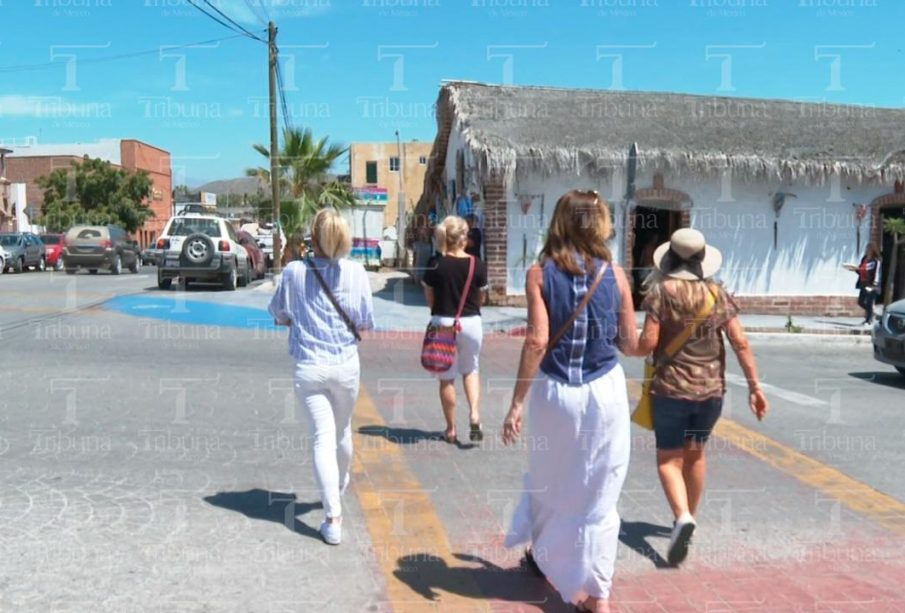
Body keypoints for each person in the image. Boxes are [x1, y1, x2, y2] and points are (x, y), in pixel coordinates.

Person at [501, 190, 639, 613]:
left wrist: (516, 404)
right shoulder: (616, 276)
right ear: (600, 224)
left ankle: (544, 559)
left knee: (549, 481)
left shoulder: (539, 274)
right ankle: (598, 598)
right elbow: (631, 344)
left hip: (556, 395)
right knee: (600, 491)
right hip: (605, 394)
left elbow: (538, 340)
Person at [634, 227, 768, 567]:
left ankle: (682, 518)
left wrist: (629, 345)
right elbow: (740, 342)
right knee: (695, 454)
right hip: (709, 394)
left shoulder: (661, 293)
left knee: (668, 459)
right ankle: (687, 518)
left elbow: (648, 344)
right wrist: (755, 387)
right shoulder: (716, 293)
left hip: (671, 393)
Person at [268, 209, 375, 546]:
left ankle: (333, 518)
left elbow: (278, 314)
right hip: (345, 365)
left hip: (309, 366)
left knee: (322, 437)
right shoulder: (357, 273)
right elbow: (365, 321)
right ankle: (340, 485)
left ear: (311, 238)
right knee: (342, 431)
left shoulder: (293, 272)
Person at [422, 215, 488, 444]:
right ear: (464, 238)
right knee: (471, 369)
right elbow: (481, 297)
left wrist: (439, 310)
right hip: (471, 323)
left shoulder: (435, 263)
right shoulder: (476, 264)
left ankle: (451, 429)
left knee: (446, 378)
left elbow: (429, 297)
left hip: (443, 324)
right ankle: (475, 414)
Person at [855, 244, 882, 325]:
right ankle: (871, 312)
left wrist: (874, 284)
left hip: (872, 285)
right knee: (860, 301)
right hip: (863, 283)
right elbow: (860, 270)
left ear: (873, 251)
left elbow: (877, 273)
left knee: (870, 302)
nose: (867, 250)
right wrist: (855, 269)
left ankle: (868, 320)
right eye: (867, 249)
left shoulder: (876, 261)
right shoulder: (864, 259)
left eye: (869, 249)